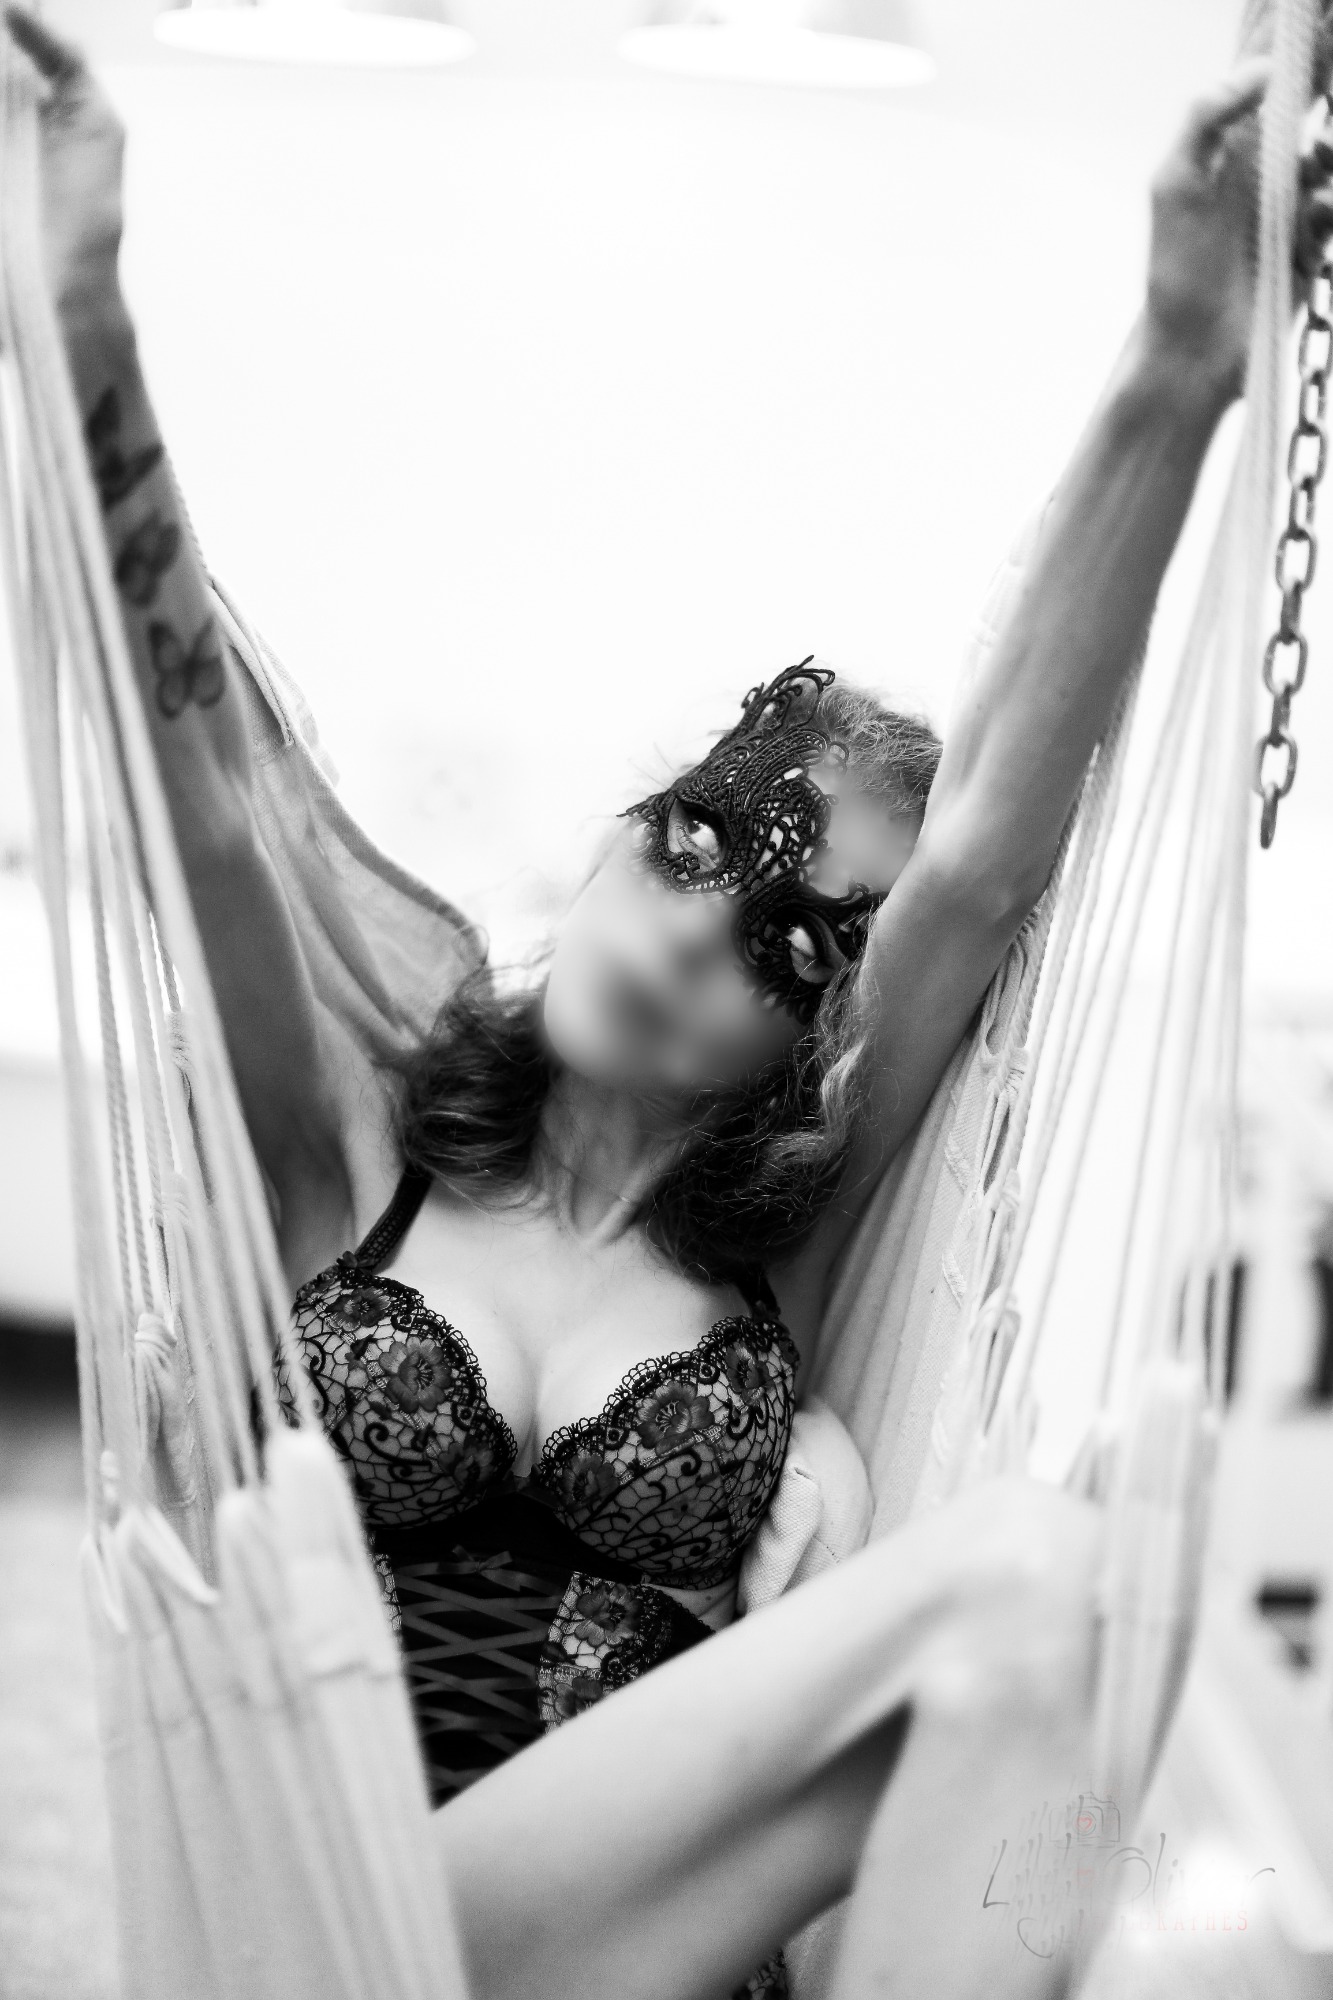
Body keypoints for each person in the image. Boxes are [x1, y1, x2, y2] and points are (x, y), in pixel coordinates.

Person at [6, 5, 1330, 1994]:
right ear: (627, 837)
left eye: (792, 946)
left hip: (645, 1945)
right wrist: (80, 313)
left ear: (810, 1036)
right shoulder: (349, 1137)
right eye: (705, 841)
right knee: (1027, 1577)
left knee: (1056, 1591)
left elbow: (978, 863)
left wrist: (1180, 358)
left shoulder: (779, 1240)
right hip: (354, 1924)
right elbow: (205, 791)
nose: (704, 934)